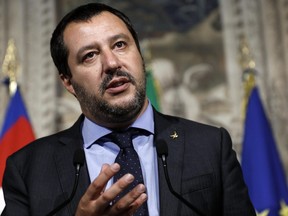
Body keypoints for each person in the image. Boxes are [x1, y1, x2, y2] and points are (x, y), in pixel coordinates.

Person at [1, 3, 256, 216]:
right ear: (68, 81)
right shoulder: (28, 169)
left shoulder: (210, 146)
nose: (112, 63)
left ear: (140, 55)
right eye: (90, 55)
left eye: (120, 45)